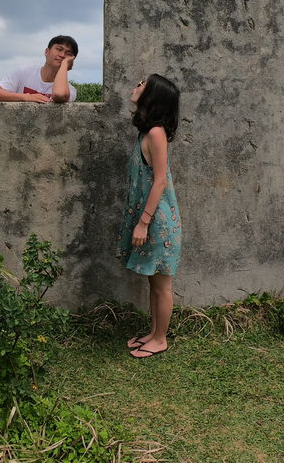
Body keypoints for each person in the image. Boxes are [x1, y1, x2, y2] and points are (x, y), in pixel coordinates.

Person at [117, 73, 182, 358]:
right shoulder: (147, 132)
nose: (136, 86)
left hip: (157, 220)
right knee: (153, 281)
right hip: (151, 217)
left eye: (142, 84)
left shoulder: (156, 133)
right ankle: (153, 333)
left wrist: (143, 223)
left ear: (152, 96)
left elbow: (160, 182)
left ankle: (161, 339)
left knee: (162, 283)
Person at [0, 36, 79, 103]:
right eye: (59, 49)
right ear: (47, 52)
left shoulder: (69, 90)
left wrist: (64, 65)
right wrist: (27, 97)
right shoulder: (23, 72)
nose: (62, 55)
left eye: (68, 53)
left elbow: (59, 95)